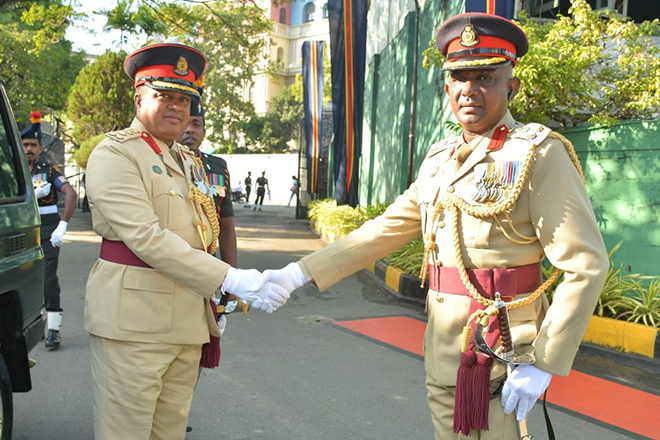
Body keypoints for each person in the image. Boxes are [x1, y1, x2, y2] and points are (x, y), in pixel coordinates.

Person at [264, 13, 608, 440]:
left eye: (486, 77)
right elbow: (385, 229)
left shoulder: (537, 154)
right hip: (444, 351)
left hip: (501, 353)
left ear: (512, 85)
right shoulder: (440, 160)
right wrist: (298, 273)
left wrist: (543, 360)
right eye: (459, 77)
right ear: (447, 87)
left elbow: (586, 265)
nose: (469, 89)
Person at [83, 43, 288, 440]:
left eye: (184, 99)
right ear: (139, 97)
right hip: (135, 325)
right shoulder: (116, 154)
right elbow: (146, 237)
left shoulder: (187, 159)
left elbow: (205, 233)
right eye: (164, 96)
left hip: (188, 321)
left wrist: (219, 299)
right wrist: (228, 277)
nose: (176, 107)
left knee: (169, 433)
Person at [176, 93, 239, 335]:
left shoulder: (217, 167)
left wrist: (231, 280)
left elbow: (226, 226)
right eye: (185, 123)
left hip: (207, 267)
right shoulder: (159, 163)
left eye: (197, 124)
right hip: (170, 263)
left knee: (204, 337)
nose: (190, 130)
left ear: (204, 131)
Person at [21, 110, 77, 350]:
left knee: (48, 279)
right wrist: (32, 195)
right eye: (25, 144)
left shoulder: (49, 170)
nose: (29, 149)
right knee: (23, 280)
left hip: (48, 229)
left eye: (33, 145)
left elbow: (70, 193)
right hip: (23, 230)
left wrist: (63, 225)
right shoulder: (15, 171)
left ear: (40, 148)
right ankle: (26, 327)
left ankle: (53, 329)